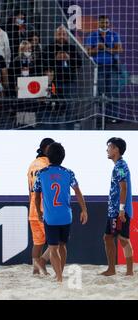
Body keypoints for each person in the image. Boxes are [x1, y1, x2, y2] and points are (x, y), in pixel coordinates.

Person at [33, 142, 88, 282]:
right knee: (62, 246)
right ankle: (60, 274)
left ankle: (59, 277)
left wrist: (39, 213)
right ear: (63, 157)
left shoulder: (41, 173)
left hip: (50, 217)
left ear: (48, 156)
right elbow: (77, 191)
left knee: (53, 248)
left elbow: (37, 196)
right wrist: (84, 210)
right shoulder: (68, 172)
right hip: (66, 217)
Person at [101, 137, 134, 276]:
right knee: (108, 237)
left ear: (116, 149)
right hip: (114, 210)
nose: (107, 149)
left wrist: (121, 210)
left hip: (119, 210)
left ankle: (129, 272)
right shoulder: (118, 165)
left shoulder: (120, 166)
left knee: (123, 239)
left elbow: (123, 188)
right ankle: (112, 269)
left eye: (109, 146)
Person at [85, 16, 123, 121]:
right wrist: (97, 48)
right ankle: (100, 117)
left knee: (113, 92)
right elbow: (87, 52)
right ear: (98, 23)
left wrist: (105, 48)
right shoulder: (92, 35)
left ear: (109, 23)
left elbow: (119, 50)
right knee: (100, 93)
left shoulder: (114, 35)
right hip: (98, 68)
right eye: (102, 23)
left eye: (106, 23)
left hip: (112, 68)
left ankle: (112, 117)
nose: (104, 25)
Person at [27, 138, 54, 275]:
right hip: (44, 208)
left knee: (37, 243)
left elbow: (29, 189)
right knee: (56, 242)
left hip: (32, 209)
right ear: (47, 148)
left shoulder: (32, 165)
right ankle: (42, 263)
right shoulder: (48, 165)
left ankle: (36, 270)